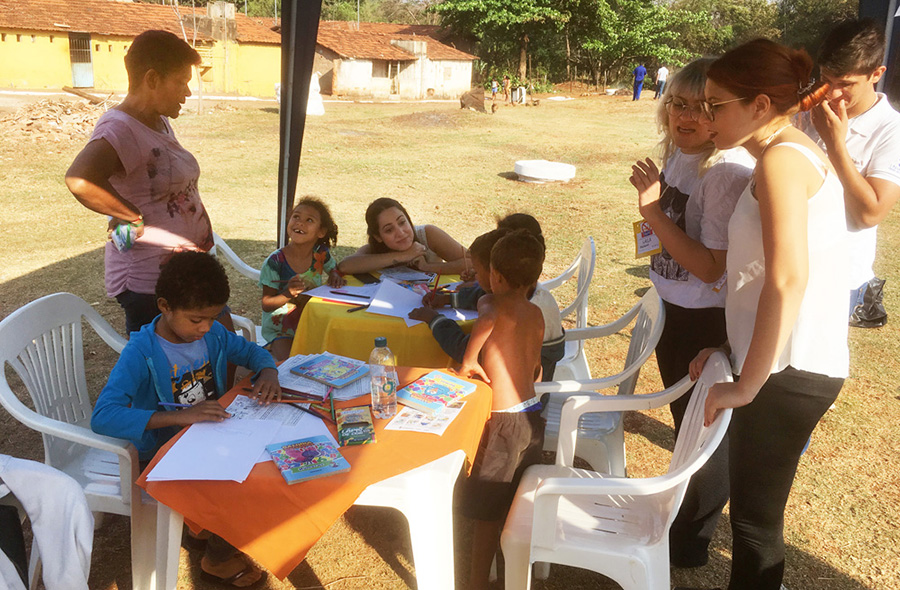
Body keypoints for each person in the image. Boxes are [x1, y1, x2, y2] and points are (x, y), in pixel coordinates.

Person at [686, 39, 849, 590]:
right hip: (777, 361)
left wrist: (746, 382)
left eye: (715, 106)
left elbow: (787, 278)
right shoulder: (779, 154)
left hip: (792, 368)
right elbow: (760, 279)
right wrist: (731, 352)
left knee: (755, 524)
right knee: (753, 518)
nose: (705, 118)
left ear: (759, 105)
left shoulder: (782, 159)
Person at [629, 57, 754, 569]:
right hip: (673, 312)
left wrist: (653, 212)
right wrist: (654, 213)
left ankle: (692, 541)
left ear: (723, 115)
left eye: (703, 109)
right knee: (687, 427)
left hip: (705, 321)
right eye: (677, 103)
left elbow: (709, 268)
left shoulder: (724, 170)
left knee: (704, 434)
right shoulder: (680, 154)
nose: (685, 116)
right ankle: (685, 518)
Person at [92, 251, 281, 587]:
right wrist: (179, 418)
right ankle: (218, 559)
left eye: (213, 317)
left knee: (265, 462)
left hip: (206, 437)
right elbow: (104, 416)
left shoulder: (213, 335)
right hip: (162, 454)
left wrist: (267, 370)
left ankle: (202, 529)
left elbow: (252, 351)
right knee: (243, 481)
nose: (206, 328)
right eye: (197, 319)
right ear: (164, 306)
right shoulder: (141, 353)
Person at [65, 30, 218, 336]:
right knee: (162, 371)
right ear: (152, 79)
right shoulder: (120, 128)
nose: (187, 92)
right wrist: (129, 215)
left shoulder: (158, 121)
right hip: (151, 285)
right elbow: (80, 179)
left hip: (183, 275)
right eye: (180, 82)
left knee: (202, 360)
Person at [456, 229, 545, 590]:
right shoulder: (536, 313)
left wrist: (468, 361)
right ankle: (516, 572)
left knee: (486, 514)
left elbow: (485, 323)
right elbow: (536, 368)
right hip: (532, 415)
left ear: (496, 276)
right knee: (516, 501)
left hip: (504, 422)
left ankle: (478, 582)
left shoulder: (489, 304)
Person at [802, 18, 900, 327]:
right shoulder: (808, 110)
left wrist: (835, 146)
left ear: (876, 74)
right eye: (825, 78)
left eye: (845, 83)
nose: (831, 93)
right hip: (784, 263)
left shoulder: (891, 130)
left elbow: (869, 214)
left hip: (835, 279)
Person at [409, 214, 565, 380]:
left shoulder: (509, 316)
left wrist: (434, 320)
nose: (475, 276)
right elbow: (485, 293)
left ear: (495, 274)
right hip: (529, 395)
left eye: (476, 271)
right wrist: (449, 299)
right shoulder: (526, 291)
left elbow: (464, 350)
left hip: (522, 396)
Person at [259, 197, 344, 361]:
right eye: (296, 217)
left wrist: (334, 275)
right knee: (290, 362)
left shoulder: (320, 253)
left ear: (321, 232)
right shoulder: (275, 262)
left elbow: (333, 267)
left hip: (311, 320)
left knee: (333, 352)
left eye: (309, 220)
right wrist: (287, 293)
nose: (300, 223)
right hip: (280, 329)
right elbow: (267, 304)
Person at [337, 197, 469, 275]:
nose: (401, 232)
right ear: (378, 237)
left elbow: (473, 262)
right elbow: (345, 266)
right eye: (389, 230)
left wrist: (428, 268)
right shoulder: (376, 249)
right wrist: (402, 256)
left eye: (402, 222)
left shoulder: (427, 234)